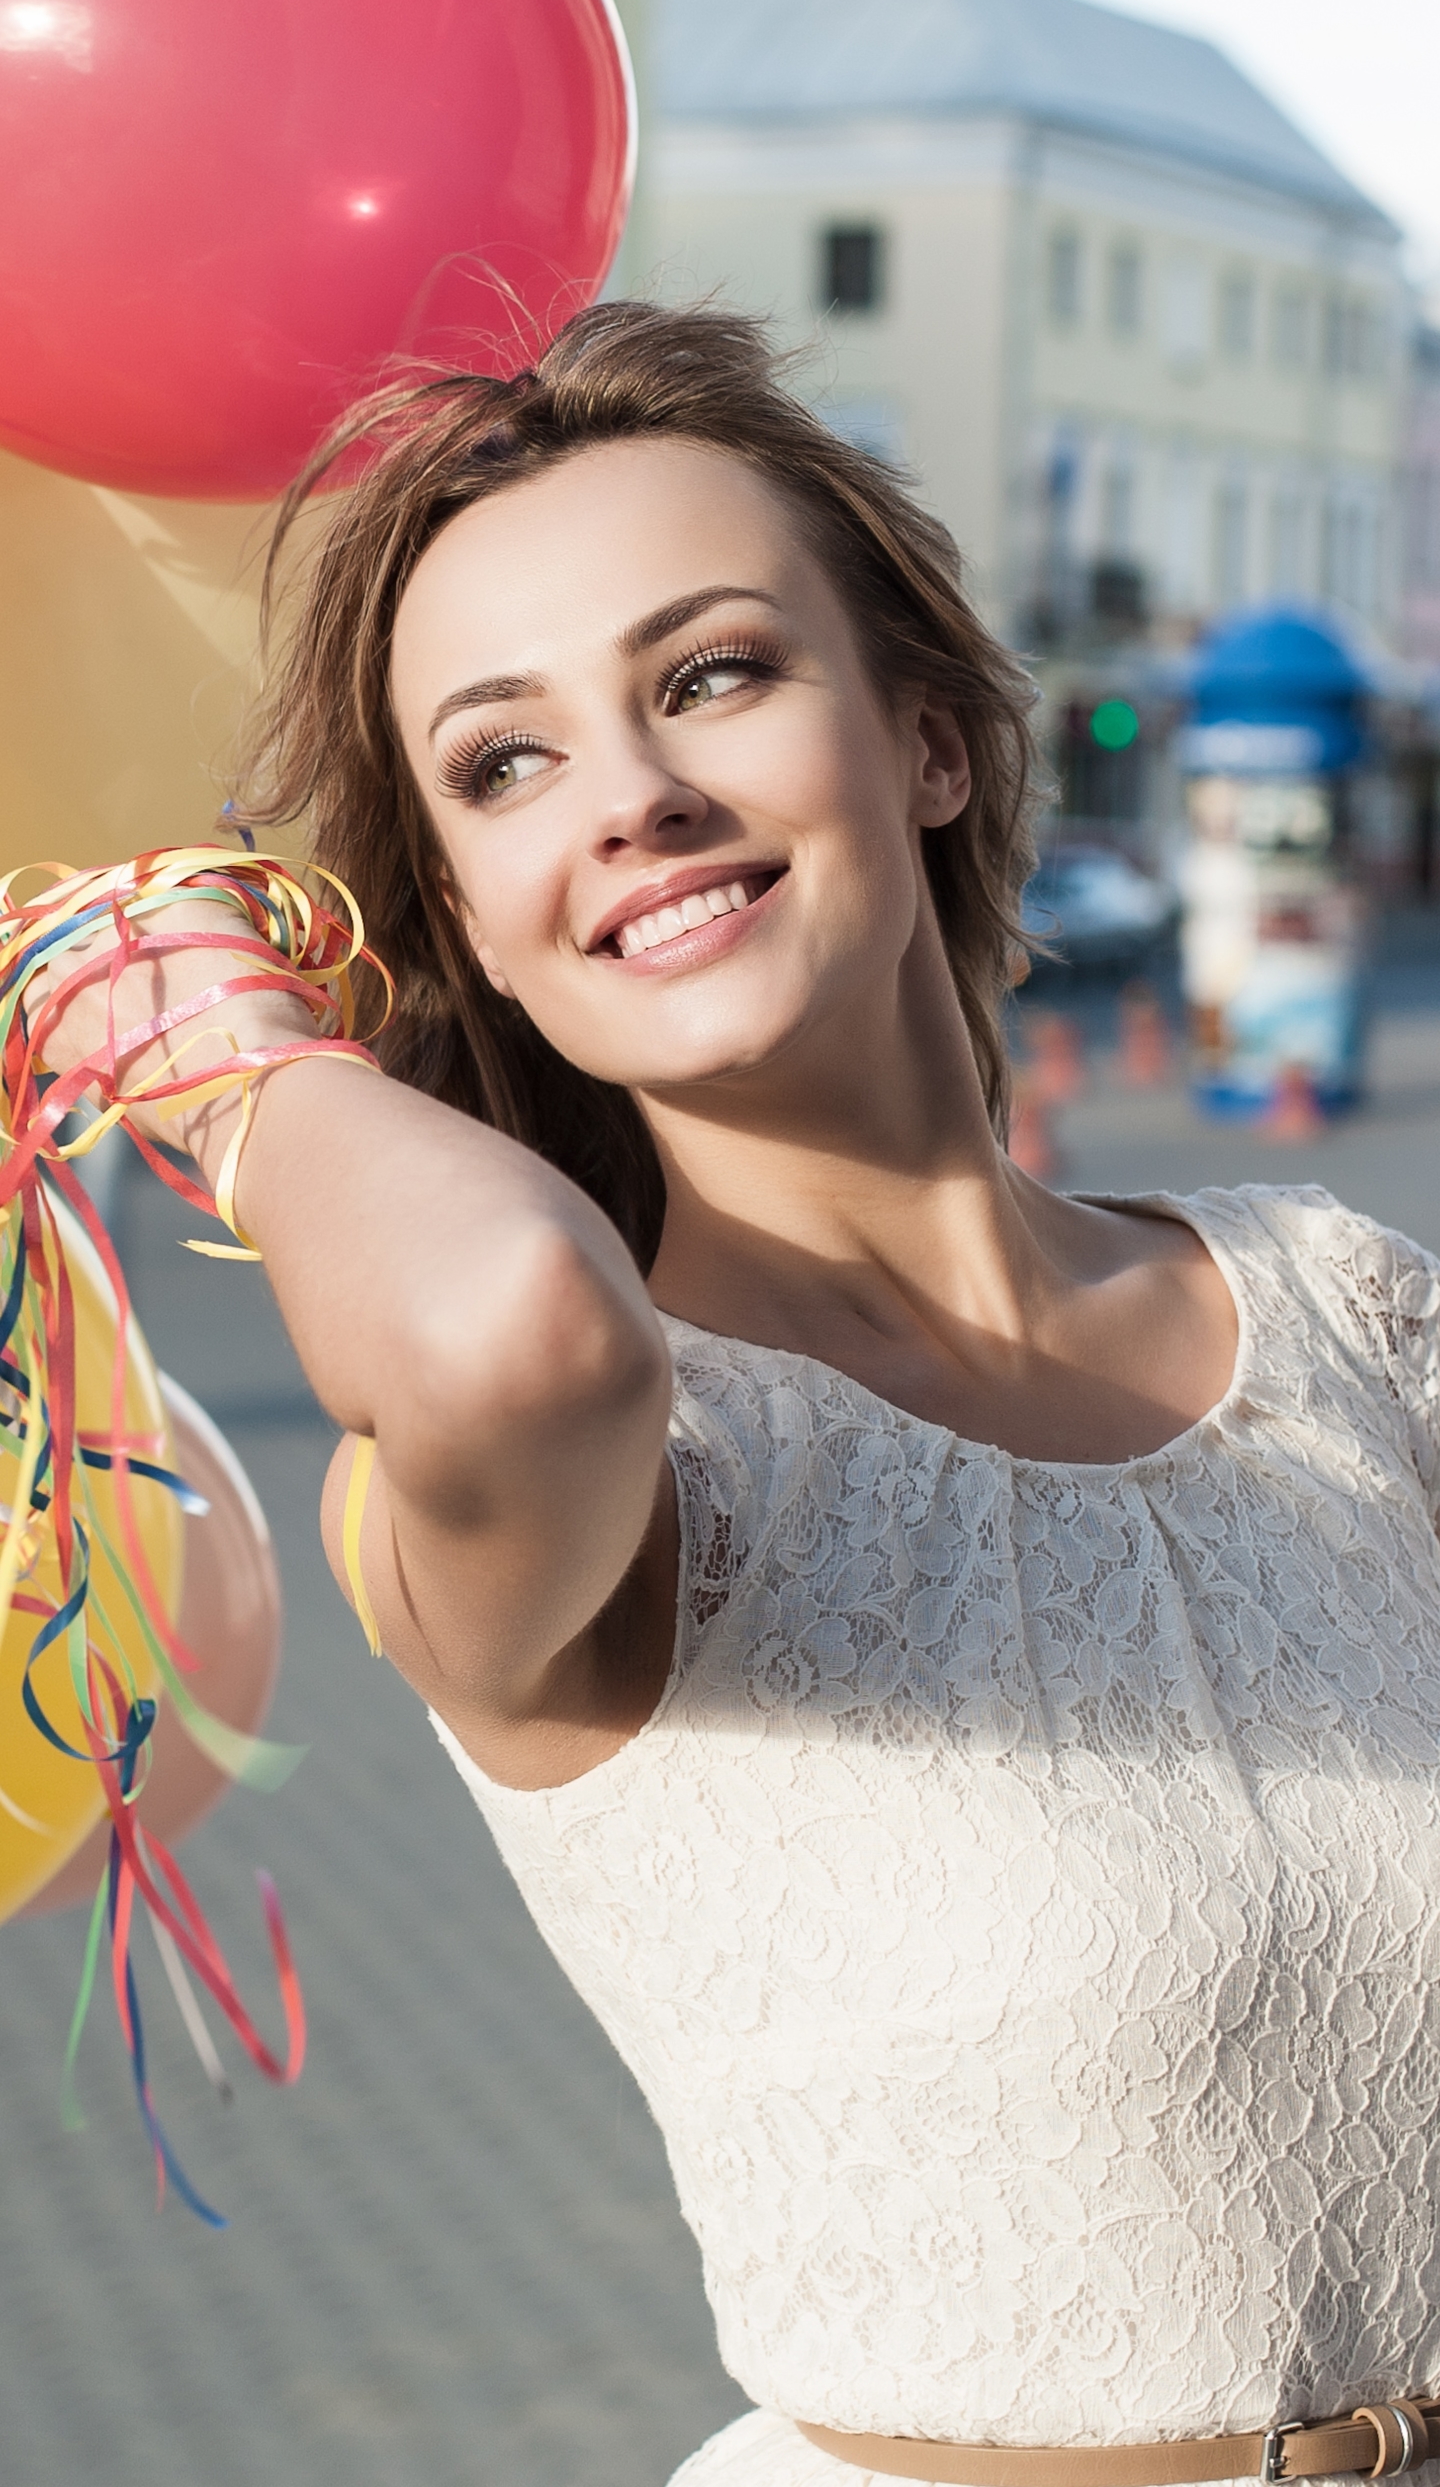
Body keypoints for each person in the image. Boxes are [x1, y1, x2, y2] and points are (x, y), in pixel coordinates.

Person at [44, 304, 1440, 2486]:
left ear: (932, 738)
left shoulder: (1354, 1313)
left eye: (710, 674)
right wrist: (214, 1052)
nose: (637, 798)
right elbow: (519, 1321)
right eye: (505, 766)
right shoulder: (589, 1469)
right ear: (474, 928)